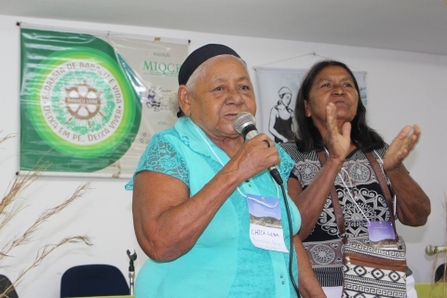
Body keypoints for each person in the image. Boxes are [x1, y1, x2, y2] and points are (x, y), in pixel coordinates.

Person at [125, 44, 325, 298]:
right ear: (187, 99)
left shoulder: (268, 153)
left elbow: (284, 236)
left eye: (243, 87)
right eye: (219, 88)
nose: (236, 97)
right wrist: (236, 171)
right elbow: (159, 244)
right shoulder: (170, 147)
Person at [280, 60, 431, 297]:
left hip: (388, 277)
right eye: (327, 85)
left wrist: (394, 169)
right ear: (307, 107)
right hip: (323, 286)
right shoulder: (289, 155)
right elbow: (293, 227)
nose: (339, 90)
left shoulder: (381, 151)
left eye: (348, 85)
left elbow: (418, 217)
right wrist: (334, 162)